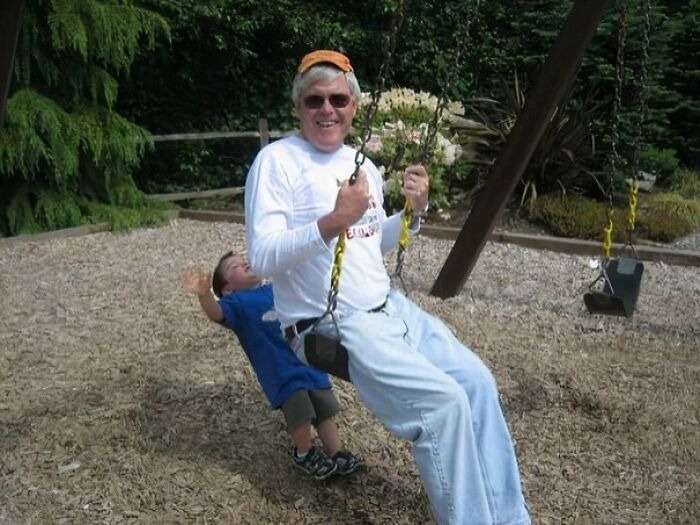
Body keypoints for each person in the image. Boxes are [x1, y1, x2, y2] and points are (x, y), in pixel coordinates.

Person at [244, 49, 530, 524]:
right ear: (298, 106)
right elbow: (262, 258)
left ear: (354, 107)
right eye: (314, 100)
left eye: (338, 99)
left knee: (477, 383)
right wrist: (334, 219)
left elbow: (372, 241)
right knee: (442, 406)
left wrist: (413, 214)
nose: (327, 109)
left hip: (389, 308)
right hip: (327, 321)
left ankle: (510, 517)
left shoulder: (365, 167)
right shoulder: (276, 162)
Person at [181, 251, 362, 480]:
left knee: (324, 410)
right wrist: (205, 294)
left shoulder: (277, 287)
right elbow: (216, 313)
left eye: (244, 259)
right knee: (300, 410)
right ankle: (304, 453)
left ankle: (337, 453)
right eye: (234, 266)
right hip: (280, 371)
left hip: (306, 361)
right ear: (227, 289)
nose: (244, 262)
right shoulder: (235, 303)